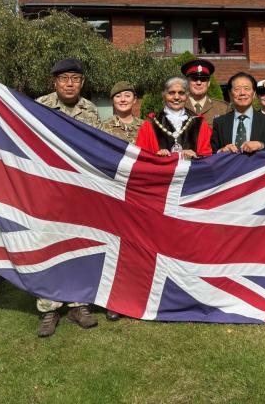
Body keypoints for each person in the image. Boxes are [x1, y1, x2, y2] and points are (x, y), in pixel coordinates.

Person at [34, 58, 101, 337]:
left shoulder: (90, 110)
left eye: (75, 78)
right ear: (55, 82)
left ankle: (78, 304)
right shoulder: (39, 106)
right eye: (64, 78)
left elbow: (97, 148)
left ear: (82, 82)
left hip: (79, 191)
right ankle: (49, 308)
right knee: (48, 245)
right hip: (49, 190)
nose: (70, 83)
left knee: (78, 244)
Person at [101, 80, 143, 322]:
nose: (124, 100)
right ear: (113, 101)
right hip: (114, 195)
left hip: (140, 197)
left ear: (134, 100)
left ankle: (137, 296)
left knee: (137, 248)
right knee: (114, 248)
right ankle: (113, 300)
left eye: (128, 95)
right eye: (119, 97)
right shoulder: (103, 127)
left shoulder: (147, 127)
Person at [136, 77, 212, 158]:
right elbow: (141, 157)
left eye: (181, 93)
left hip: (192, 170)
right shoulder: (150, 124)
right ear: (164, 95)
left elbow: (208, 157)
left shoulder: (199, 123)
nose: (176, 97)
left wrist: (195, 156)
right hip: (161, 170)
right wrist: (156, 155)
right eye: (171, 93)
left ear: (187, 96)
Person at [211, 72, 265, 153]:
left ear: (254, 93)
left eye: (247, 88)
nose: (242, 93)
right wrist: (221, 151)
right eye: (237, 89)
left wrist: (261, 145)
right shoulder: (219, 122)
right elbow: (212, 152)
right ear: (230, 94)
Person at [181, 58, 230, 125]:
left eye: (203, 79)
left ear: (209, 83)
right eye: (194, 79)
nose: (198, 83)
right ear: (187, 82)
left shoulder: (223, 109)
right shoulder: (177, 107)